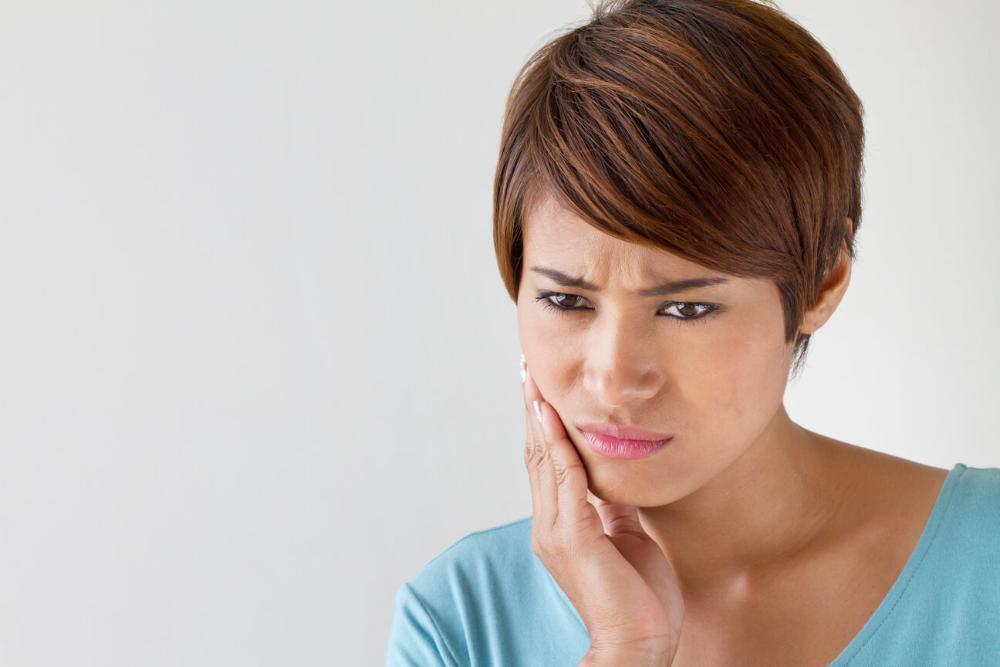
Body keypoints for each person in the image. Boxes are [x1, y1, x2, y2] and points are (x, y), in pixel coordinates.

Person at [385, 0, 1000, 664]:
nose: (614, 375)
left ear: (822, 285)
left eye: (683, 308)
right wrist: (626, 647)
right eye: (565, 299)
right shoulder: (460, 622)